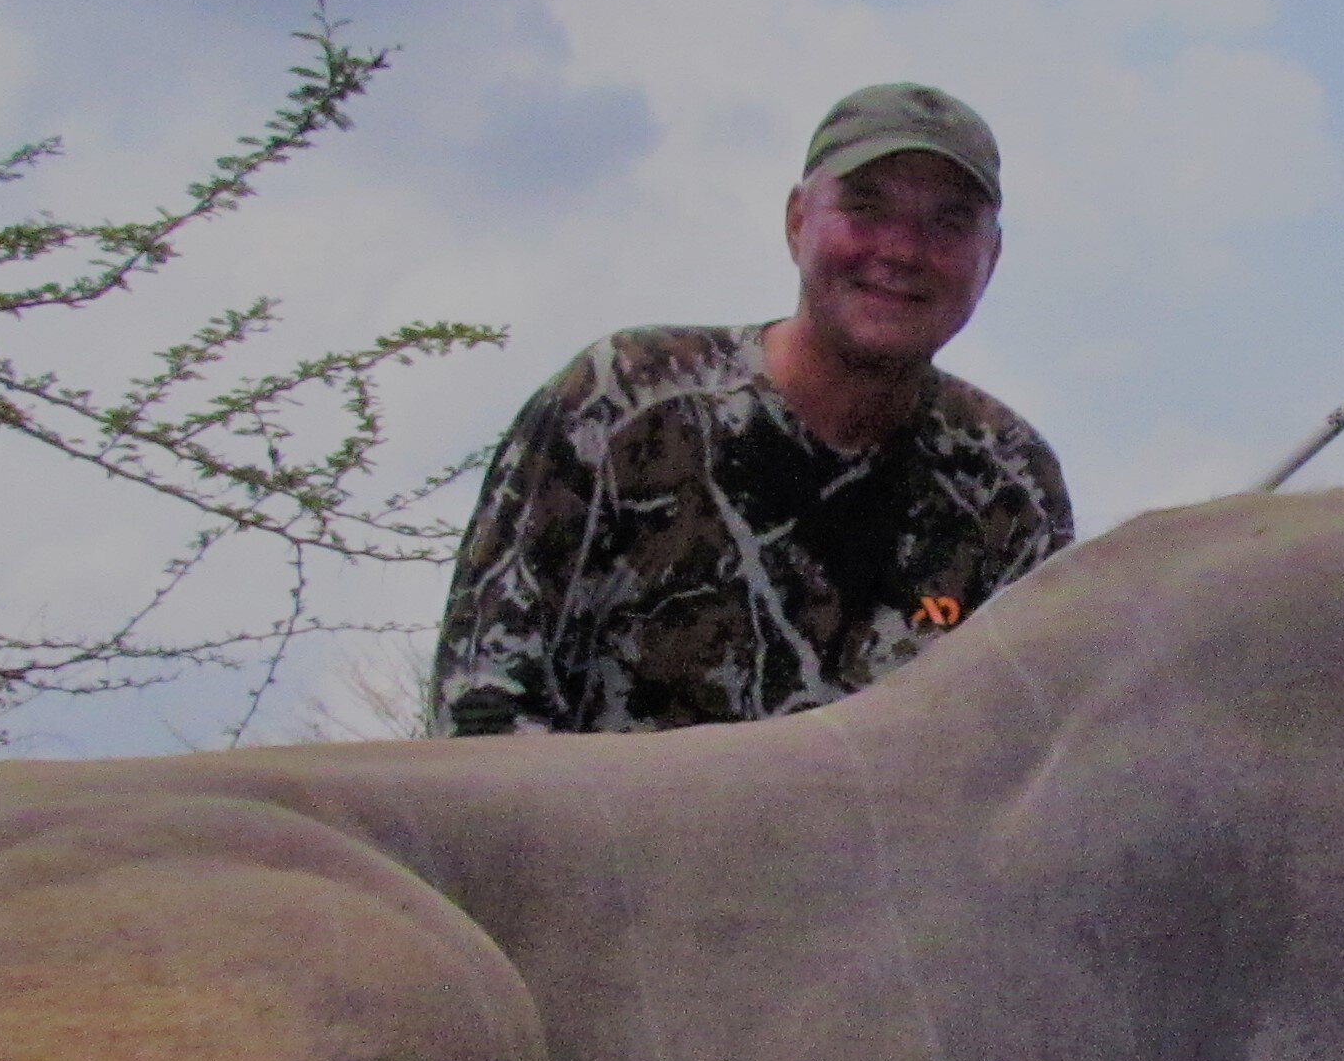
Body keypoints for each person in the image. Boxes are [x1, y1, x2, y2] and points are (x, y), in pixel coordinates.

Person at [428, 83, 1073, 734]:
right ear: (798, 222)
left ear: (990, 257)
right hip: (594, 833)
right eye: (866, 209)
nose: (902, 250)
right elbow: (478, 708)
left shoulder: (1009, 485)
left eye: (948, 224)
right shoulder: (620, 404)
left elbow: (1031, 754)